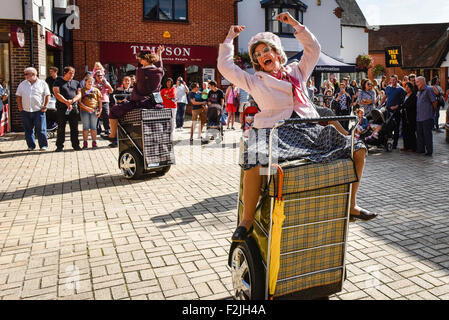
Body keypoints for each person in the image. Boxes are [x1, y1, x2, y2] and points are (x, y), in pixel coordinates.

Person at [218, 14, 374, 242]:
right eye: (258, 55)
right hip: (274, 130)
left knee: (358, 149)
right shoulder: (254, 80)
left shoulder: (297, 71)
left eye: (265, 51)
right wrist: (229, 39)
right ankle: (247, 219)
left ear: (277, 53)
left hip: (306, 128)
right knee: (254, 158)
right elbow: (225, 67)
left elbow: (313, 49)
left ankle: (351, 205)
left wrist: (294, 25)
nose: (262, 57)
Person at [103, 46, 165, 147]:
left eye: (140, 58)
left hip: (141, 103)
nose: (139, 60)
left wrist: (135, 86)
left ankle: (113, 135)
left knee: (114, 109)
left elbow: (140, 90)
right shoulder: (160, 71)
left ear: (145, 59)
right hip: (155, 103)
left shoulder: (141, 71)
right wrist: (159, 54)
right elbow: (159, 63)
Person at [16, 67, 51, 151]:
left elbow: (47, 95)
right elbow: (18, 96)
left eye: (26, 74)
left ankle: (43, 146)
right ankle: (31, 146)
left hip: (39, 110)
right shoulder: (22, 84)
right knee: (28, 129)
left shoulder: (42, 83)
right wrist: (20, 107)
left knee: (41, 129)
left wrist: (45, 106)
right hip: (26, 110)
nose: (25, 76)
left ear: (33, 74)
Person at [53, 66, 82, 152]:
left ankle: (76, 145)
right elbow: (56, 93)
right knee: (61, 127)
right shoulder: (58, 81)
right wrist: (66, 102)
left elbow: (79, 94)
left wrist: (72, 101)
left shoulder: (76, 83)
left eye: (73, 73)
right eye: (70, 73)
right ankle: (59, 146)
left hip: (73, 107)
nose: (72, 75)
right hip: (61, 108)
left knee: (74, 128)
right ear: (65, 73)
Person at [380, 75, 406, 149]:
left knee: (396, 127)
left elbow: (403, 101)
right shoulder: (388, 87)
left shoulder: (401, 89)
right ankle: (386, 142)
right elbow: (384, 97)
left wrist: (397, 106)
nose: (393, 81)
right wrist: (380, 105)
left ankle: (395, 144)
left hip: (396, 111)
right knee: (387, 126)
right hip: (388, 110)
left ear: (397, 80)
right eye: (391, 80)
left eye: (394, 80)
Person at [79, 75, 102, 149]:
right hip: (85, 110)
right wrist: (87, 108)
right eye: (88, 81)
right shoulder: (82, 90)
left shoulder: (96, 90)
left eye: (91, 82)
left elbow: (99, 101)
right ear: (85, 82)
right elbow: (79, 102)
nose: (90, 83)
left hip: (94, 110)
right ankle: (85, 143)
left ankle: (94, 142)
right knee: (86, 127)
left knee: (94, 127)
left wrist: (100, 110)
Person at [415, 76, 437, 156]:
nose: (416, 84)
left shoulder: (428, 89)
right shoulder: (419, 91)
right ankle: (421, 149)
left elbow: (434, 102)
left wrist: (432, 112)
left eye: (417, 82)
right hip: (419, 117)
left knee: (427, 134)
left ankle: (429, 151)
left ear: (422, 82)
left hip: (427, 117)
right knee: (420, 134)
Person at [94, 70, 113, 136]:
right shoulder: (93, 83)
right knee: (96, 115)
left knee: (106, 115)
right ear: (95, 76)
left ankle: (107, 129)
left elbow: (111, 91)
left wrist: (107, 85)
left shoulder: (105, 82)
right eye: (98, 76)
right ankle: (97, 129)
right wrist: (94, 87)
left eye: (101, 76)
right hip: (95, 101)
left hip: (104, 100)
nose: (100, 77)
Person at [400, 81, 417, 152]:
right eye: (405, 87)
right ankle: (405, 146)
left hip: (411, 116)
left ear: (411, 88)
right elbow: (403, 104)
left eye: (408, 87)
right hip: (404, 115)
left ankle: (412, 147)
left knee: (411, 131)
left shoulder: (414, 96)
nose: (406, 88)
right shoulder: (405, 95)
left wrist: (404, 106)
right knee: (405, 131)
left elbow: (412, 105)